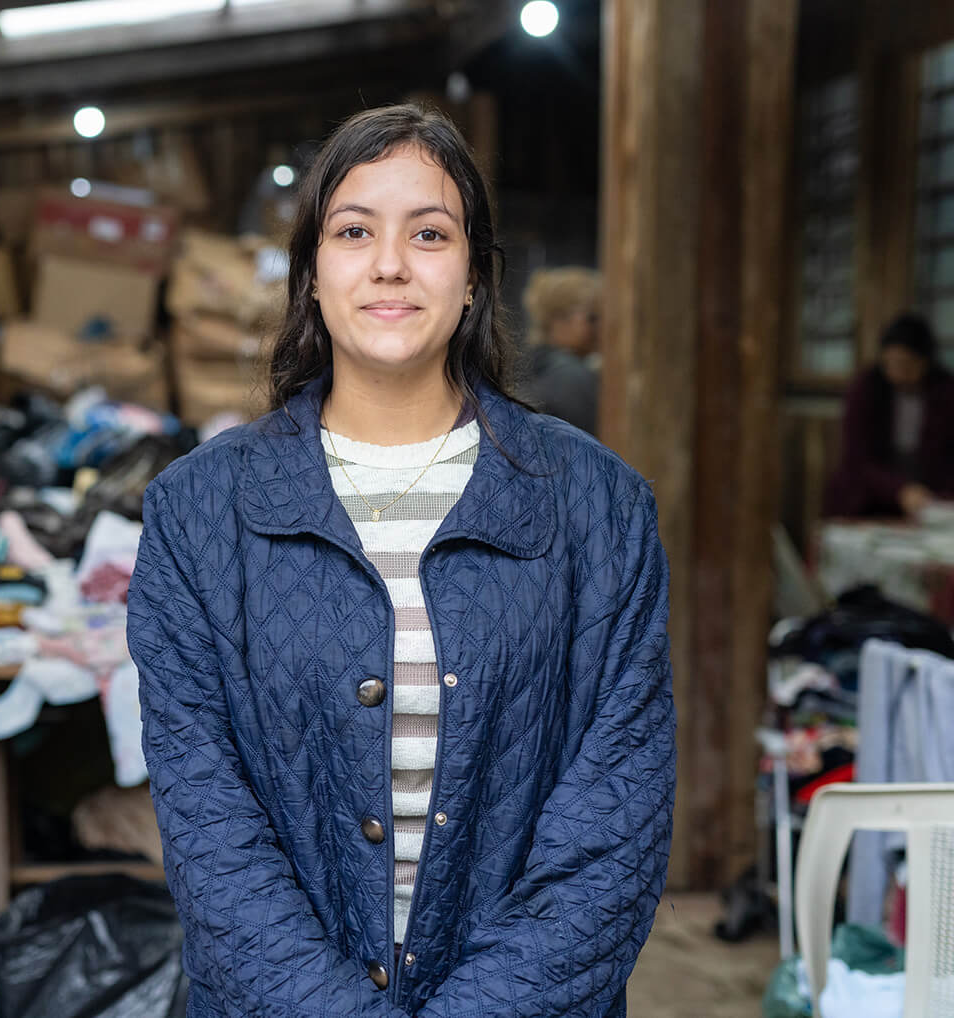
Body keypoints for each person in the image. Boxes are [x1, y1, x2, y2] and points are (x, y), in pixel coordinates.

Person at [128, 103, 675, 1017]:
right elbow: (208, 828)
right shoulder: (196, 512)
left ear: (472, 279)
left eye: (429, 232)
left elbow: (612, 827)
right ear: (311, 276)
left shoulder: (599, 506)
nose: (390, 262)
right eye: (354, 231)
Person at [825, 313, 954, 519]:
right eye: (889, 363)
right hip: (868, 498)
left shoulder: (945, 391)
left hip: (929, 499)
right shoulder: (866, 388)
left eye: (905, 364)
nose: (896, 373)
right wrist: (899, 490)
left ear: (925, 360)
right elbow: (858, 458)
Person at [519, 266, 602, 435]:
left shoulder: (532, 365)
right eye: (592, 318)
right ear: (559, 320)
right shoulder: (570, 376)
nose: (601, 327)